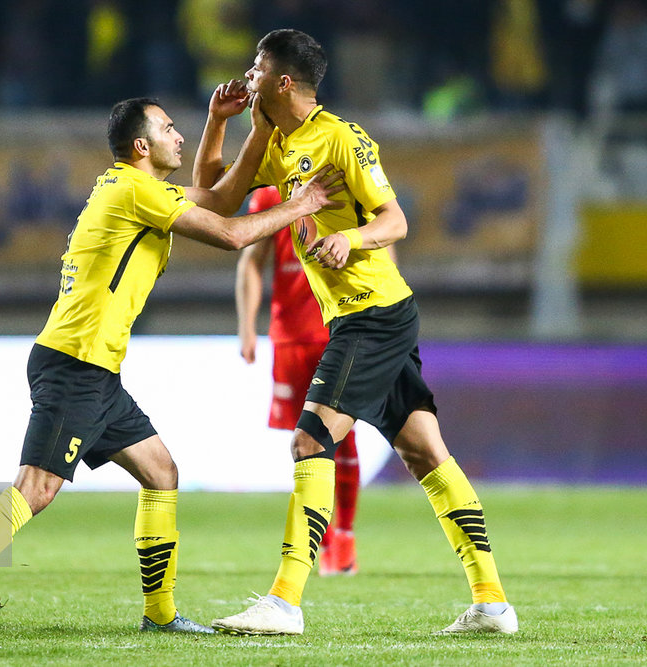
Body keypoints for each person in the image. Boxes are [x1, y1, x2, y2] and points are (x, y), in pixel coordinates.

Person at [0, 92, 346, 637]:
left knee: (161, 473)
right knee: (36, 488)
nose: (177, 136)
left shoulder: (134, 187)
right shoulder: (136, 190)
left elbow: (222, 198)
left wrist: (229, 124)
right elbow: (231, 234)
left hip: (94, 368)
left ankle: (160, 616)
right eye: (167, 128)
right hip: (75, 363)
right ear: (142, 146)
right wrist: (300, 205)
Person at [205, 29, 517, 635]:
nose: (248, 75)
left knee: (310, 440)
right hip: (368, 315)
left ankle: (285, 601)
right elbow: (218, 198)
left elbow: (395, 219)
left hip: (372, 314)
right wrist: (219, 123)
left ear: (283, 80)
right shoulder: (274, 139)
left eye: (257, 67)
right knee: (425, 451)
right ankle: (492, 602)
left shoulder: (342, 139)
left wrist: (352, 237)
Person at [236, 186, 361, 576]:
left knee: (344, 436)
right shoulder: (269, 197)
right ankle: (322, 542)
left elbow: (383, 247)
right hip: (290, 336)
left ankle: (343, 537)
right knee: (306, 441)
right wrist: (246, 327)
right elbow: (251, 262)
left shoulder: (345, 182)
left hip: (340, 330)